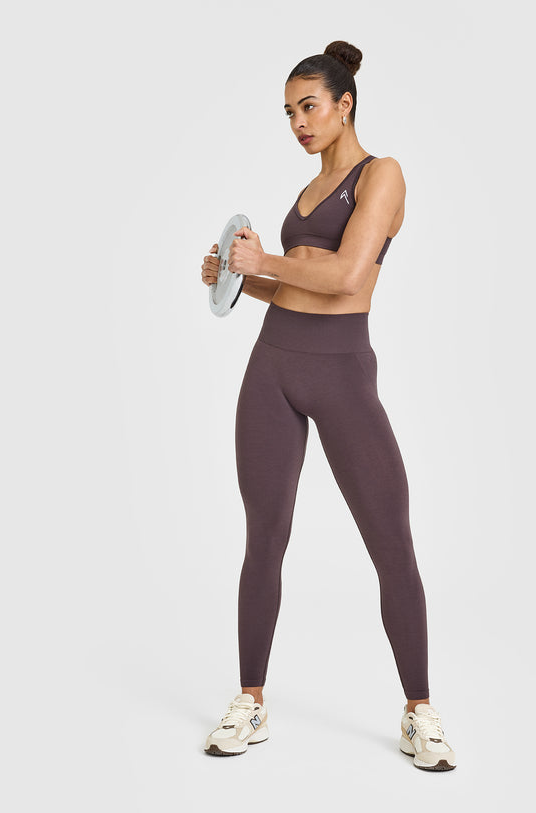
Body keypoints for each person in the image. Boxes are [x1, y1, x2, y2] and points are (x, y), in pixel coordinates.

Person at [200, 41, 456, 771]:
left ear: (345, 104)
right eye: (288, 112)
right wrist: (235, 276)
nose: (298, 123)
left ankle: (420, 711)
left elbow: (345, 278)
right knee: (264, 538)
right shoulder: (309, 190)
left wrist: (265, 261)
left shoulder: (382, 174)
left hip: (342, 373)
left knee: (391, 542)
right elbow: (291, 284)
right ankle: (250, 700)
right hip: (272, 368)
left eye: (308, 107)